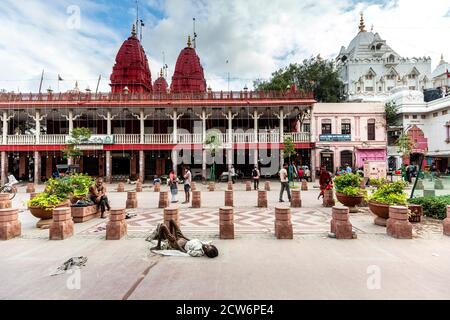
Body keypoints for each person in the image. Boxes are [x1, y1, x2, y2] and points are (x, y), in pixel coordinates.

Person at [151, 219, 219, 258]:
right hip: (182, 238)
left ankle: (158, 246)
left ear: (206, 253)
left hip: (177, 244)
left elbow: (185, 252)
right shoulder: (202, 243)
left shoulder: (198, 252)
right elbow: (191, 241)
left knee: (163, 226)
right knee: (172, 220)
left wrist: (175, 242)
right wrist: (183, 236)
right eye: (208, 246)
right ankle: (169, 236)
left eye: (207, 249)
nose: (206, 246)